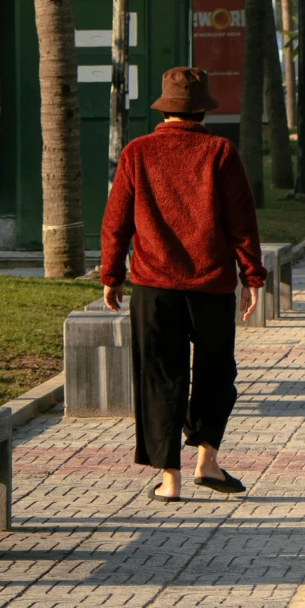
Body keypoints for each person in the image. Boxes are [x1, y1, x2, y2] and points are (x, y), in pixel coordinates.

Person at [100, 64, 265, 502]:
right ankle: (207, 461)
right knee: (216, 371)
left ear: (165, 108)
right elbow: (242, 223)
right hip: (211, 285)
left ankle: (169, 479)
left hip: (154, 287)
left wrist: (111, 275)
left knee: (159, 376)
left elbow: (115, 222)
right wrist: (252, 276)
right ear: (202, 110)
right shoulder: (221, 153)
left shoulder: (137, 153)